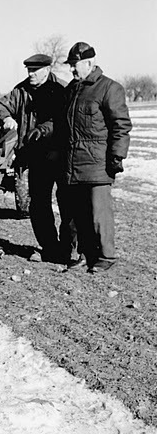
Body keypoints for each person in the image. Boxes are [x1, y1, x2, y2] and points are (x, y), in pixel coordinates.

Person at [0, 54, 75, 263]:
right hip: (35, 158)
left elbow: (65, 120)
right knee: (38, 205)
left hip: (60, 155)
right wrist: (7, 116)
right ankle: (49, 247)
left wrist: (44, 130)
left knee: (67, 204)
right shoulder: (21, 91)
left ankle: (68, 249)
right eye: (28, 71)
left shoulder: (63, 90)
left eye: (35, 71)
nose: (31, 75)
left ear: (47, 70)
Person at [56, 42, 132, 273]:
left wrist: (117, 156)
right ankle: (81, 254)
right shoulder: (72, 89)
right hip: (71, 163)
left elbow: (121, 125)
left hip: (98, 163)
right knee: (75, 215)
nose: (72, 69)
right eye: (70, 65)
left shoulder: (110, 88)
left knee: (100, 215)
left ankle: (106, 256)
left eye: (75, 65)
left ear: (89, 63)